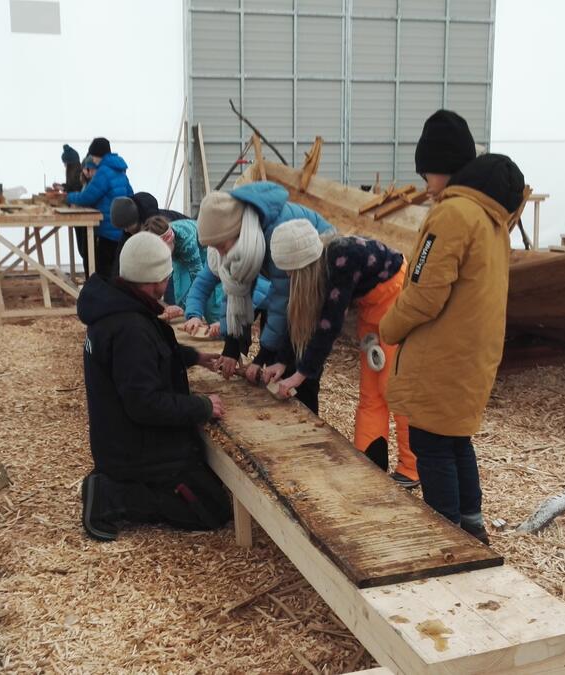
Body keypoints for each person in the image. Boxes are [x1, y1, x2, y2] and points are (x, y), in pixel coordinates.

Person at [379, 110, 524, 545]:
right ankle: (471, 524)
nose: (424, 181)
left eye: (427, 170)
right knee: (456, 438)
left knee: (431, 444)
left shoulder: (452, 215)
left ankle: (446, 536)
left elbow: (423, 292)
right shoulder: (491, 216)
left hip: (443, 353)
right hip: (471, 351)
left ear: (440, 165)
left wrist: (389, 327)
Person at [77, 232, 231, 541]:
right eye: (166, 274)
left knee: (202, 472)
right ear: (153, 281)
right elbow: (144, 403)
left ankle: (119, 484)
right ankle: (112, 496)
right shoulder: (130, 328)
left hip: (120, 437)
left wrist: (195, 357)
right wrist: (201, 406)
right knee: (212, 509)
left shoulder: (119, 307)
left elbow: (153, 358)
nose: (168, 279)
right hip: (134, 449)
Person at [267, 220, 418, 488]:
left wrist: (300, 375)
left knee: (393, 389)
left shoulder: (341, 259)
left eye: (291, 271)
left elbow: (328, 325)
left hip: (395, 302)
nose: (289, 277)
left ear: (302, 263)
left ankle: (412, 467)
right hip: (371, 311)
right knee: (370, 391)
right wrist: (282, 359)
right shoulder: (316, 268)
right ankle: (370, 461)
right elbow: (302, 316)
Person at [195, 182, 335, 413]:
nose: (220, 254)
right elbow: (235, 290)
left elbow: (284, 301)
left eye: (220, 246)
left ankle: (308, 421)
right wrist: (231, 347)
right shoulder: (244, 235)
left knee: (299, 353)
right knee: (278, 362)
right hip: (290, 284)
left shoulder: (276, 232)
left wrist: (263, 356)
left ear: (235, 233)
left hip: (313, 272)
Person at [65, 137, 132, 279]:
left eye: (93, 156)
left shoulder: (103, 172)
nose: (92, 160)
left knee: (102, 270)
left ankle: (103, 298)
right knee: (116, 270)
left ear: (97, 155)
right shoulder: (120, 170)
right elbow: (130, 194)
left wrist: (68, 197)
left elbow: (87, 197)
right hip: (121, 230)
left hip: (106, 230)